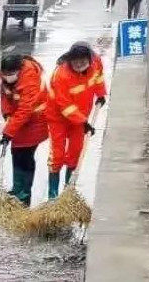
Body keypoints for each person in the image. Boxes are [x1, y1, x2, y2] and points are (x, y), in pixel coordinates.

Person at [46, 42, 107, 199]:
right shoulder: (61, 75)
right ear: (69, 60)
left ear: (90, 59)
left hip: (81, 116)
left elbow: (99, 78)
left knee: (76, 152)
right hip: (58, 118)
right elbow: (64, 105)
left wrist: (101, 94)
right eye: (75, 62)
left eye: (83, 61)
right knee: (57, 155)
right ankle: (53, 196)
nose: (79, 65)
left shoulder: (96, 62)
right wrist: (83, 122)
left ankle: (68, 193)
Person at [0, 54, 48, 207]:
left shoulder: (29, 78)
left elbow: (25, 109)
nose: (8, 77)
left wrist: (8, 131)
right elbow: (5, 97)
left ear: (18, 70)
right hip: (18, 123)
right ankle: (17, 188)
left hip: (35, 122)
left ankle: (24, 194)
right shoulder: (6, 77)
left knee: (25, 156)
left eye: (11, 74)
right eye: (5, 74)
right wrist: (7, 114)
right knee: (17, 154)